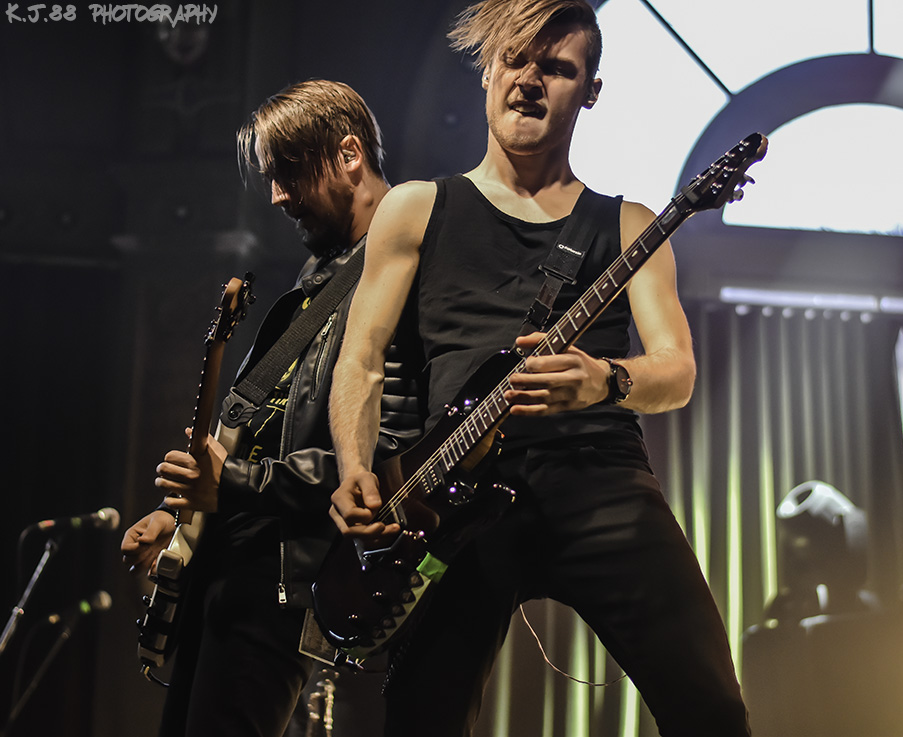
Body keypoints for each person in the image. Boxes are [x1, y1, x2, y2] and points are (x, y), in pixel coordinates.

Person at [326, 1, 752, 735]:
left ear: (589, 91)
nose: (531, 80)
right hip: (450, 499)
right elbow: (360, 357)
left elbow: (676, 369)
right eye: (517, 60)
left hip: (601, 479)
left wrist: (605, 380)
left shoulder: (629, 225)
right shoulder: (415, 208)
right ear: (488, 69)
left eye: (557, 68)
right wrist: (356, 465)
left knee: (711, 709)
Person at [120, 80, 422, 737]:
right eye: (271, 176)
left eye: (289, 172)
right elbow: (249, 429)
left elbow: (389, 451)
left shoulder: (401, 273)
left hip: (283, 581)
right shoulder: (313, 283)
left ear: (349, 154)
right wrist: (179, 515)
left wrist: (231, 483)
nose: (278, 195)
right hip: (227, 565)